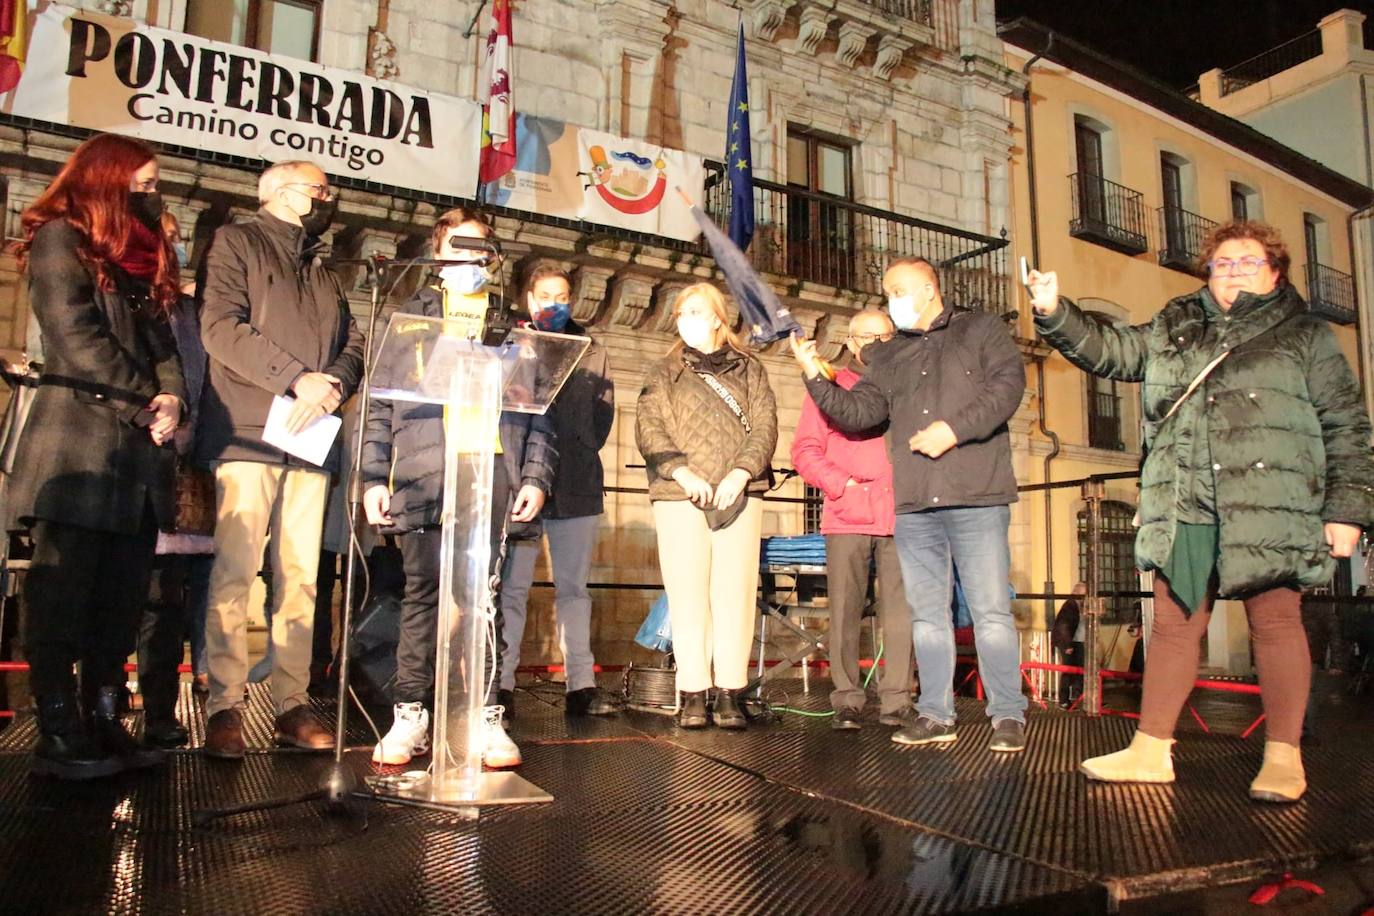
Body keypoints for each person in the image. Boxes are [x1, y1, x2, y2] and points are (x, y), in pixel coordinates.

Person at [1028, 219, 1374, 803]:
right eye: (1222, 261)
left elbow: (1345, 423)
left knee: (1275, 623)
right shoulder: (1175, 322)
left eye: (1248, 260)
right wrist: (1054, 308)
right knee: (1172, 626)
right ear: (1207, 271)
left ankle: (1284, 755)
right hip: (1186, 497)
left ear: (1275, 272)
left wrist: (1346, 510)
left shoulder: (1305, 333)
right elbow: (1113, 351)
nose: (1233, 269)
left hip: (1271, 501)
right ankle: (1150, 749)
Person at [791, 257, 1029, 753]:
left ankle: (1008, 714)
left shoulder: (982, 329)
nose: (890, 300)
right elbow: (858, 413)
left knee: (989, 611)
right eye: (887, 292)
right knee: (925, 616)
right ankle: (935, 713)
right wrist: (813, 373)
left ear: (927, 289)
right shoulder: (891, 355)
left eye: (897, 290)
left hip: (976, 494)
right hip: (917, 503)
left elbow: (1007, 387)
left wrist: (954, 430)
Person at [10, 133, 185, 778]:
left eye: (154, 185)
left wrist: (170, 397)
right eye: (141, 184)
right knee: (62, 598)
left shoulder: (142, 260)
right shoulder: (63, 238)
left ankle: (106, 719)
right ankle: (58, 730)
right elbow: (75, 336)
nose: (151, 194)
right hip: (77, 448)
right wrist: (147, 403)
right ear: (106, 181)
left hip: (136, 459)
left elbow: (165, 342)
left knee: (119, 600)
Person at [362, 207, 557, 767]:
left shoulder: (513, 324)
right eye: (461, 244)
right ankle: (410, 715)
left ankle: (486, 716)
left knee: (485, 601)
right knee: (422, 596)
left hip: (491, 471)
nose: (474, 255)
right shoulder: (410, 318)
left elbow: (539, 413)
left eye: (483, 246)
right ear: (438, 250)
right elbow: (380, 408)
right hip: (426, 474)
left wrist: (536, 477)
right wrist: (375, 477)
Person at [197, 160, 364, 759]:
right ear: (279, 192)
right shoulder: (237, 242)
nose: (328, 199)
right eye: (319, 190)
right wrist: (296, 380)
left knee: (300, 575)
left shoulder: (322, 265)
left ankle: (291, 703)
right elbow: (219, 327)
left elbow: (353, 342)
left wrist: (333, 387)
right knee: (236, 571)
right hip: (249, 430)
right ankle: (225, 706)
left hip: (311, 434)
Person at [636, 282, 778, 729]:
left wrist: (741, 473)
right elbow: (649, 426)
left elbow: (766, 425)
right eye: (681, 313)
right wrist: (681, 472)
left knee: (734, 594)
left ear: (719, 317)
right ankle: (693, 692)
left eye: (696, 311)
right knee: (687, 594)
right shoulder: (664, 371)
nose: (686, 320)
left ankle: (730, 692)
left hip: (740, 490)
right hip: (681, 493)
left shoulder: (750, 368)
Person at [497, 266, 617, 719]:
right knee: (512, 588)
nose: (554, 302)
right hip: (519, 484)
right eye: (545, 294)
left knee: (574, 589)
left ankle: (580, 685)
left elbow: (603, 416)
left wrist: (580, 447)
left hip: (577, 483)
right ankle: (502, 684)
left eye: (562, 295)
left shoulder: (592, 349)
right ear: (529, 299)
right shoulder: (507, 342)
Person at [791, 308, 915, 730]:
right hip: (848, 515)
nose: (875, 344)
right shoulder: (827, 387)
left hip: (902, 513)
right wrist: (842, 485)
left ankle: (897, 700)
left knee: (901, 612)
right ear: (850, 340)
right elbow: (804, 451)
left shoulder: (907, 386)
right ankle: (847, 699)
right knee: (844, 611)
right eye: (866, 336)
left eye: (884, 336)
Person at [137, 209, 215, 747]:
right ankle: (109, 700)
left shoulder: (192, 310)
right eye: (164, 237)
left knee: (186, 597)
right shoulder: (130, 302)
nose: (173, 247)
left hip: (193, 472)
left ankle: (166, 712)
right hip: (140, 465)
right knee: (149, 600)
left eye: (178, 238)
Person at [1051, 582, 1088, 707]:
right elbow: (1063, 626)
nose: (1085, 597)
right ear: (1076, 593)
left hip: (1078, 642)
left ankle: (1079, 697)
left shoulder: (1079, 606)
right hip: (1069, 642)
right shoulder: (1070, 606)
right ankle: (1064, 700)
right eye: (1083, 594)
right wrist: (1067, 645)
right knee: (1067, 670)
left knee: (1080, 671)